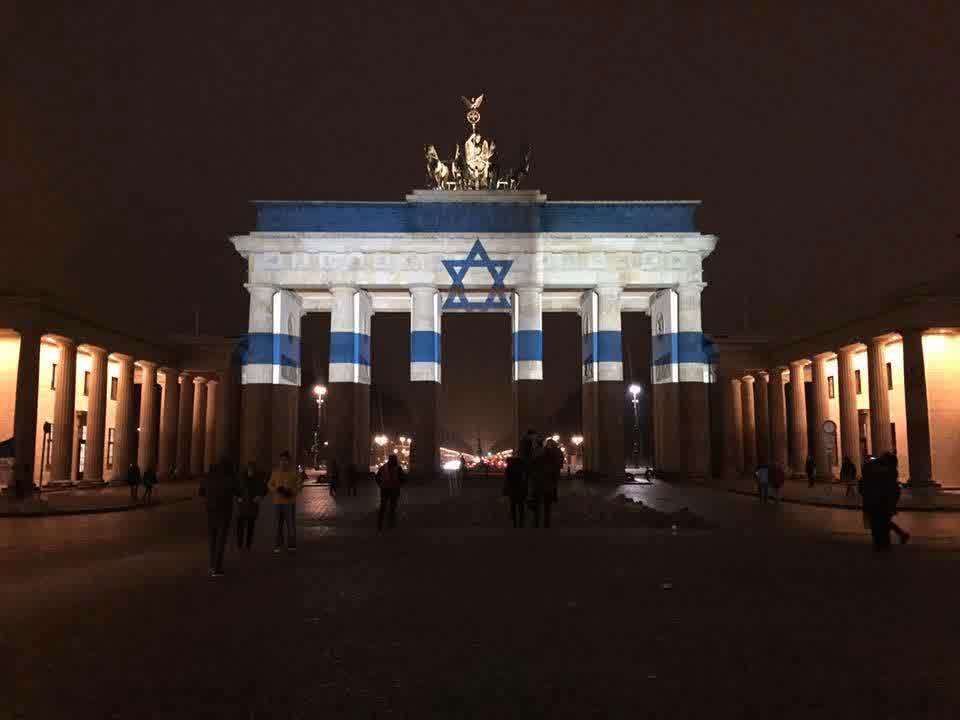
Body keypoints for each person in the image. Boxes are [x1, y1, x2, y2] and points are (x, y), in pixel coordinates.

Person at [859, 453, 907, 550]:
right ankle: (889, 540)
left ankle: (881, 543)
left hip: (876, 500)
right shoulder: (890, 471)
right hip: (882, 500)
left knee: (879, 522)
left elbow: (865, 484)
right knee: (883, 522)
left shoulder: (877, 469)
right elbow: (894, 488)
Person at [200, 458, 236, 577]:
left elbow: (201, 492)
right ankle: (217, 567)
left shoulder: (207, 478)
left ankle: (212, 565)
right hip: (224, 513)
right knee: (220, 540)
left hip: (211, 512)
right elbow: (237, 491)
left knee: (213, 539)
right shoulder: (228, 479)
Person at [268, 451, 302, 552]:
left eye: (285, 460)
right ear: (279, 461)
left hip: (289, 502)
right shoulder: (275, 472)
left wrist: (292, 492)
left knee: (290, 524)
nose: (283, 462)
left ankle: (292, 544)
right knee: (278, 524)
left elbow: (299, 484)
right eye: (282, 460)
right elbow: (269, 484)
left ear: (289, 461)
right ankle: (278, 544)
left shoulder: (294, 472)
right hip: (277, 502)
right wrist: (276, 490)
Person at [235, 461, 266, 550]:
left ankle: (248, 544)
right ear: (247, 469)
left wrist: (260, 496)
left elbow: (264, 489)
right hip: (242, 506)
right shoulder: (241, 478)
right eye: (249, 469)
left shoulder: (258, 479)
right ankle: (240, 544)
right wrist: (238, 497)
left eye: (252, 470)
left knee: (250, 527)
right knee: (240, 526)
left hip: (252, 506)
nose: (251, 471)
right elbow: (236, 489)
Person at [375, 454, 405, 530]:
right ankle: (388, 524)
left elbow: (377, 477)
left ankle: (382, 524)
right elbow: (403, 478)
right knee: (390, 507)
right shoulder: (398, 468)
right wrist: (399, 484)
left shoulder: (384, 468)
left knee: (385, 507)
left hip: (387, 489)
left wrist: (380, 484)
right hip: (391, 489)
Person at [503, 456, 528, 528]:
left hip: (512, 489)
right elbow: (524, 479)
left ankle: (514, 522)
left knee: (513, 505)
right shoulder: (521, 469)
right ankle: (521, 521)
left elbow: (506, 480)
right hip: (520, 489)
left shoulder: (509, 469)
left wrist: (505, 490)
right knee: (521, 505)